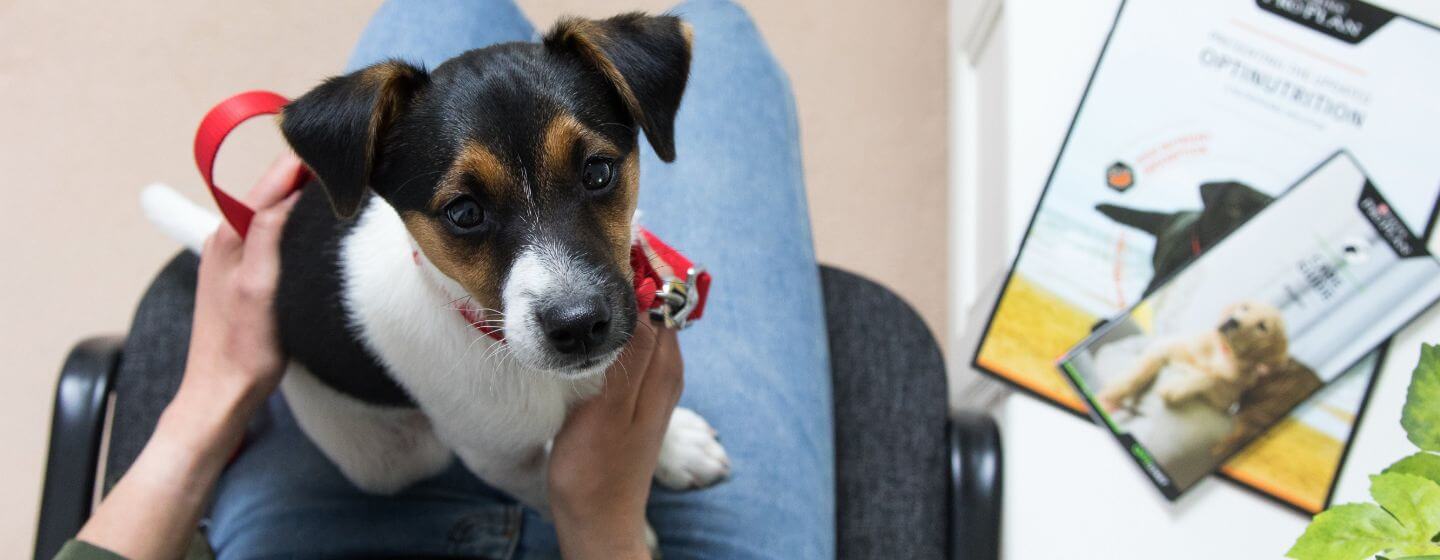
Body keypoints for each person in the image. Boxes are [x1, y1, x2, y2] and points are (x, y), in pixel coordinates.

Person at [61, 0, 834, 557]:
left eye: (597, 172)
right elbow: (500, 457)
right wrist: (603, 519)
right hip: (392, 440)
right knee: (723, 23)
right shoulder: (394, 250)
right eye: (466, 214)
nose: (567, 294)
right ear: (383, 193)